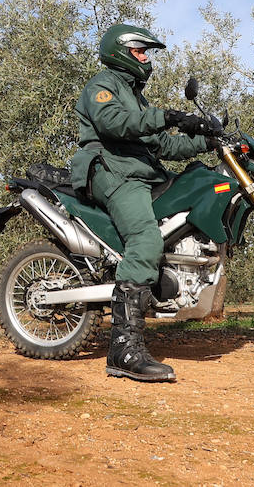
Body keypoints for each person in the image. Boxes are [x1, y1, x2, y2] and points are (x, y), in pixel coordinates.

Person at [70, 23, 219, 382]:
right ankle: (123, 350)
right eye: (140, 51)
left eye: (147, 53)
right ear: (121, 52)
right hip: (113, 172)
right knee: (145, 240)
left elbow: (162, 147)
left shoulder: (136, 97)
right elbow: (113, 124)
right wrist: (168, 116)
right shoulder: (102, 86)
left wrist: (207, 141)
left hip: (140, 172)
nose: (146, 58)